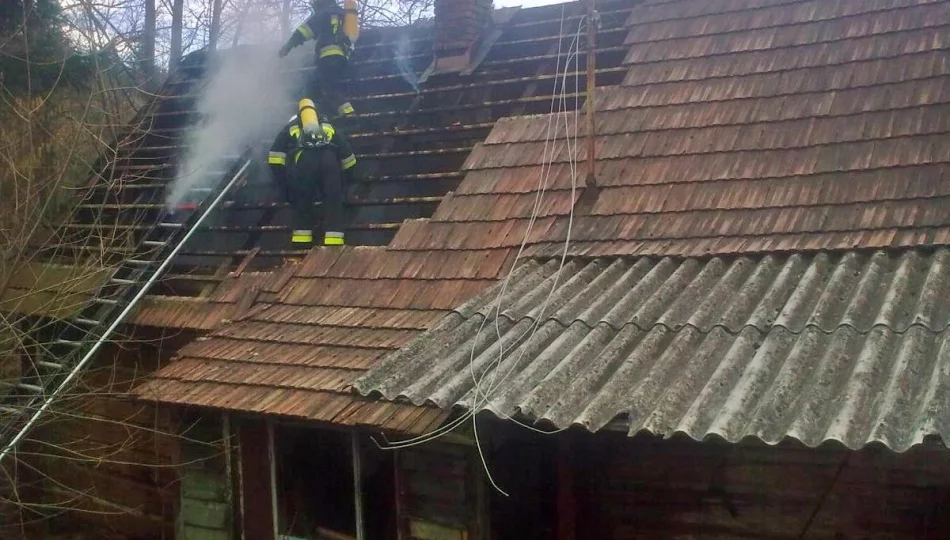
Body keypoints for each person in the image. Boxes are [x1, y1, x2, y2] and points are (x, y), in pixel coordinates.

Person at [268, 101, 357, 246]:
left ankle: (301, 244)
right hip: (330, 161)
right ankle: (334, 243)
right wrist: (346, 181)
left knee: (302, 202)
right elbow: (349, 158)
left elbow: (274, 157)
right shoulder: (328, 126)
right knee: (333, 202)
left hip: (303, 163)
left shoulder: (291, 126)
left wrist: (284, 182)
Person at [278, 0, 355, 118]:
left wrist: (288, 46)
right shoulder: (344, 15)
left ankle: (349, 114)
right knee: (313, 87)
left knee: (329, 90)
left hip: (327, 57)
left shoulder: (323, 14)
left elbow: (303, 32)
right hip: (341, 59)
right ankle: (313, 114)